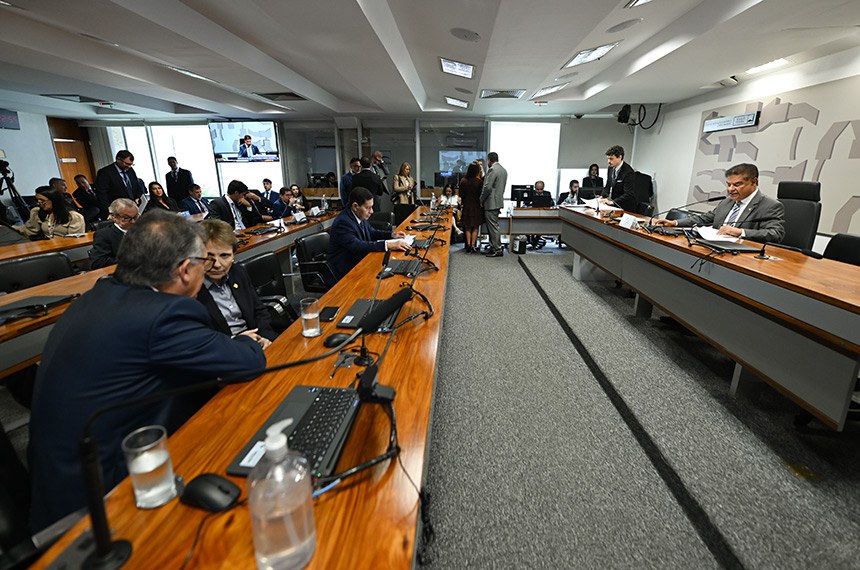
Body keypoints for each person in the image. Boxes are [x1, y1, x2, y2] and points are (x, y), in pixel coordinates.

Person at [27, 210, 266, 531]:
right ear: (185, 270)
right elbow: (248, 361)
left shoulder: (97, 296)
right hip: (104, 500)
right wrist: (247, 341)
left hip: (55, 481)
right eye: (203, 261)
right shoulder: (163, 315)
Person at [652, 163, 785, 243]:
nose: (730, 189)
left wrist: (740, 232)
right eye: (728, 184)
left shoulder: (770, 205)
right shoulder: (727, 201)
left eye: (737, 184)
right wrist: (674, 223)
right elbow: (706, 218)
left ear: (754, 182)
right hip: (714, 248)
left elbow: (775, 234)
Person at [197, 220, 276, 347]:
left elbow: (259, 310)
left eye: (224, 256)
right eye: (209, 256)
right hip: (223, 350)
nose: (217, 264)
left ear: (234, 255)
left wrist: (264, 338)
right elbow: (198, 338)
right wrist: (239, 341)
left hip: (257, 341)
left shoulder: (238, 272)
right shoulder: (190, 288)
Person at [327, 186, 410, 284]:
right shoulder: (343, 222)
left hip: (360, 262)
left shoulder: (358, 215)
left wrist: (391, 235)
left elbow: (371, 232)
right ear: (355, 206)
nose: (372, 211)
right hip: (346, 271)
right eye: (368, 208)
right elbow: (357, 246)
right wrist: (388, 245)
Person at [14, 186, 85, 238]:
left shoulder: (74, 217)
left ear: (54, 200)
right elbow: (30, 230)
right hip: (48, 247)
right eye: (37, 200)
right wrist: (12, 228)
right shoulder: (38, 212)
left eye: (42, 200)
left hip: (67, 249)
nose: (39, 203)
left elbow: (75, 240)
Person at [90, 198, 138, 269]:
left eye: (136, 217)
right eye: (126, 218)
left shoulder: (143, 230)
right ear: (113, 216)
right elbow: (98, 262)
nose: (133, 221)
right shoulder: (103, 235)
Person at [95, 150, 142, 218]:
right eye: (127, 163)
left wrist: (137, 197)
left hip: (132, 207)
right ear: (118, 160)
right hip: (117, 210)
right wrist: (107, 212)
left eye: (131, 164)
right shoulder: (105, 172)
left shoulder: (130, 170)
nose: (129, 166)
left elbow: (136, 185)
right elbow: (102, 194)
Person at [479, 152, 507, 257]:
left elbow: (487, 187)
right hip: (497, 202)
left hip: (491, 203)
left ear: (489, 160)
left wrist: (481, 199)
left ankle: (497, 249)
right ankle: (492, 247)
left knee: (493, 227)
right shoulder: (503, 170)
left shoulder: (492, 170)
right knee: (493, 226)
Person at [599, 146, 637, 211]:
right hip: (614, 206)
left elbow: (628, 194)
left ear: (620, 157)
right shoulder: (610, 168)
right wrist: (601, 197)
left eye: (611, 159)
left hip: (625, 207)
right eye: (608, 159)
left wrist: (612, 202)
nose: (608, 161)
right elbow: (608, 185)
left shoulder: (628, 172)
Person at [458, 162, 484, 253]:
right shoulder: (479, 182)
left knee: (467, 227)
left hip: (467, 206)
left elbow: (461, 194)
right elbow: (481, 195)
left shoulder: (463, 181)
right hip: (477, 206)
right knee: (475, 227)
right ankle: (473, 245)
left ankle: (468, 245)